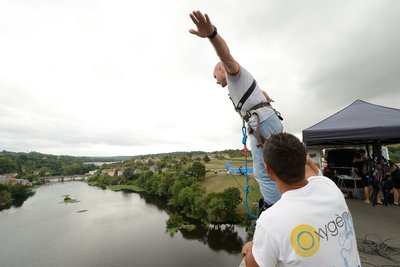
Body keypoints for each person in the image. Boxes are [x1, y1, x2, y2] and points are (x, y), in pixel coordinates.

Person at [189, 10, 283, 207]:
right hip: (265, 120)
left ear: (221, 69)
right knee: (276, 168)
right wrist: (264, 95)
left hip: (262, 123)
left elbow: (225, 55)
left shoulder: (233, 73)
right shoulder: (238, 84)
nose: (215, 81)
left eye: (215, 76)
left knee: (262, 172)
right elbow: (256, 91)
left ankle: (273, 211)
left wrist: (211, 35)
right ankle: (282, 206)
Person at [241, 133, 361, 266]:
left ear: (268, 170)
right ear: (303, 159)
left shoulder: (270, 221)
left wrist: (250, 249)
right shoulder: (327, 185)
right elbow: (310, 169)